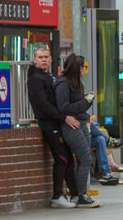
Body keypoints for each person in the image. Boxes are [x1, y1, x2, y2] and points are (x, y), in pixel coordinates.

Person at [27, 44, 80, 208]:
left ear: (50, 59)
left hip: (56, 120)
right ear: (34, 60)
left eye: (46, 57)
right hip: (48, 123)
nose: (43, 60)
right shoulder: (35, 79)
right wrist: (64, 117)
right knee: (62, 157)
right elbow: (44, 105)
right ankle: (57, 196)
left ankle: (76, 195)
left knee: (68, 158)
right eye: (40, 57)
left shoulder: (47, 76)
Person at [54, 53, 101, 208]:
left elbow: (77, 106)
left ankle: (81, 194)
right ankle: (81, 195)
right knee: (86, 158)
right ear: (78, 68)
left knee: (85, 158)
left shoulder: (77, 84)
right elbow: (64, 108)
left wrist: (86, 106)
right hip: (70, 125)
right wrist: (85, 102)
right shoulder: (63, 84)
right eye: (84, 67)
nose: (85, 70)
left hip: (80, 122)